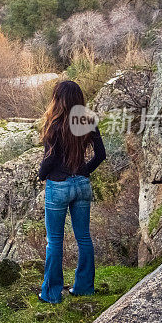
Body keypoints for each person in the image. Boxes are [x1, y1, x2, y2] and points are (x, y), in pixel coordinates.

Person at [37, 80, 106, 304]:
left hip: (58, 185)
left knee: (54, 241)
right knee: (84, 238)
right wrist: (84, 171)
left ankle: (51, 293)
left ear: (59, 99)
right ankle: (84, 287)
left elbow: (50, 158)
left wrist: (41, 175)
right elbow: (100, 154)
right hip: (82, 184)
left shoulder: (54, 123)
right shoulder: (87, 120)